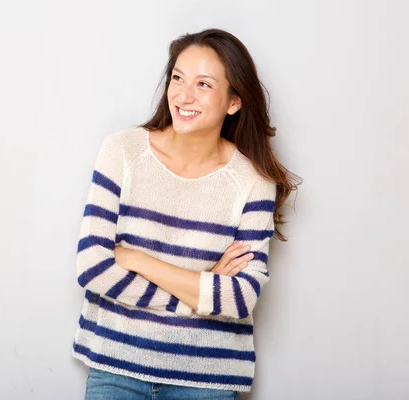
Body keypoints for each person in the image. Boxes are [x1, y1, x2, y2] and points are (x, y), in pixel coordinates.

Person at [72, 28, 301, 399]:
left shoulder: (253, 181)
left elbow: (240, 298)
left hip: (205, 379)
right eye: (178, 78)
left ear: (234, 102)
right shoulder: (122, 153)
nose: (184, 95)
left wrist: (135, 259)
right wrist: (203, 289)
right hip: (116, 363)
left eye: (204, 84)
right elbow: (93, 268)